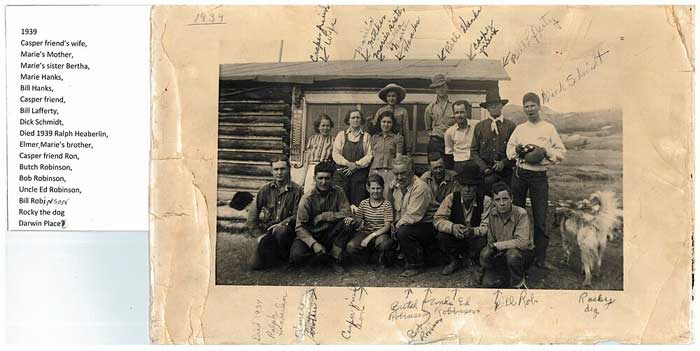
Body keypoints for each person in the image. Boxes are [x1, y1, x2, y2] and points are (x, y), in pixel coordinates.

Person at [506, 92, 566, 270]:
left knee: (540, 217)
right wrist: (518, 151)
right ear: (523, 108)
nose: (530, 109)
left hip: (539, 176)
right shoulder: (520, 129)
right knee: (516, 213)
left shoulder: (548, 128)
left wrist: (545, 152)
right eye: (526, 106)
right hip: (520, 174)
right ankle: (515, 254)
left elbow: (561, 153)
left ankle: (540, 258)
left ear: (539, 107)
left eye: (533, 105)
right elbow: (509, 150)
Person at [291, 161, 355, 274]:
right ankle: (322, 257)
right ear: (314, 178)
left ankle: (335, 257)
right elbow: (300, 228)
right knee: (296, 256)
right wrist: (313, 243)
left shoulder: (339, 192)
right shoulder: (307, 198)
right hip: (312, 234)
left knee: (347, 223)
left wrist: (325, 216)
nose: (323, 182)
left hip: (331, 234)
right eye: (320, 178)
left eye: (327, 178)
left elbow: (347, 213)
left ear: (332, 178)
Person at [433, 162, 492, 276]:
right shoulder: (451, 198)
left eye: (471, 185)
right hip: (456, 236)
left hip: (474, 238)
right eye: (464, 185)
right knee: (442, 236)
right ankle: (454, 260)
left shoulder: (486, 201)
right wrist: (452, 227)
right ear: (459, 186)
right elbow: (437, 219)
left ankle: (472, 259)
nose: (467, 189)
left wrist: (473, 231)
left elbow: (488, 226)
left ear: (477, 187)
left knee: (483, 241)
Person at [246, 157, 304, 270]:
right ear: (271, 171)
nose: (279, 172)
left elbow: (299, 215)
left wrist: (283, 223)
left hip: (288, 231)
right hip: (268, 231)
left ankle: (284, 256)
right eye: (276, 169)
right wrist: (259, 235)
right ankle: (272, 254)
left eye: (283, 169)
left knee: (282, 231)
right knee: (254, 265)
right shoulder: (264, 190)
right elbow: (252, 216)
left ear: (288, 170)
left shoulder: (297, 190)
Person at [478, 182, 534, 289]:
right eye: (498, 200)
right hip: (501, 253)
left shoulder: (521, 213)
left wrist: (496, 246)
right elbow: (491, 239)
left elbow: (522, 242)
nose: (502, 203)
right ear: (493, 202)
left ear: (511, 199)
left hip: (522, 253)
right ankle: (498, 273)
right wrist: (493, 249)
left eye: (505, 199)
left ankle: (519, 282)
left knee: (512, 255)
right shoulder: (493, 213)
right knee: (488, 282)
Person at [392, 155, 439, 278]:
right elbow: (398, 210)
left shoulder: (420, 187)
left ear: (412, 172)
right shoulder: (398, 185)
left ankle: (415, 265)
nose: (399, 177)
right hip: (413, 223)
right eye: (396, 174)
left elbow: (413, 216)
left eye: (403, 173)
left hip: (429, 225)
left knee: (402, 231)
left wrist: (396, 226)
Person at [345, 174, 396, 267]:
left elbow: (387, 226)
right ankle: (365, 260)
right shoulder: (364, 203)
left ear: (383, 188)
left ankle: (381, 259)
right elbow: (358, 222)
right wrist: (352, 220)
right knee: (351, 246)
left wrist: (370, 237)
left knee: (383, 243)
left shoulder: (386, 205)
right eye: (373, 188)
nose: (375, 191)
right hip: (365, 232)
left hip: (380, 234)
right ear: (368, 188)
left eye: (378, 188)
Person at [471, 91, 517, 192]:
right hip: (485, 174)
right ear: (487, 108)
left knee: (504, 200)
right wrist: (483, 168)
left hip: (505, 173)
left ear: (501, 106)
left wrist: (504, 163)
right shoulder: (480, 127)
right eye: (490, 105)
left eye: (496, 104)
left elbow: (515, 150)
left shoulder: (510, 126)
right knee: (486, 200)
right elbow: (473, 151)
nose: (494, 107)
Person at [332, 109, 373, 206]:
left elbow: (369, 155)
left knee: (358, 204)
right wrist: (348, 164)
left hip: (359, 175)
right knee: (341, 203)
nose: (355, 120)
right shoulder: (341, 135)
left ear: (361, 120)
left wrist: (356, 165)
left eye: (358, 118)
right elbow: (336, 154)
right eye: (353, 118)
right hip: (342, 174)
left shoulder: (367, 136)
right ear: (348, 120)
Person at [369, 110, 404, 201]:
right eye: (383, 122)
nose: (386, 124)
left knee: (387, 200)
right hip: (374, 173)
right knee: (373, 200)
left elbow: (398, 160)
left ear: (392, 124)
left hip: (389, 173)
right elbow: (371, 156)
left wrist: (395, 178)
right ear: (380, 123)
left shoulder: (398, 138)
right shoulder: (374, 138)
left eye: (389, 122)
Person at [424, 74, 455, 168]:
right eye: (437, 87)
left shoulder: (454, 106)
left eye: (442, 86)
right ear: (435, 90)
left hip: (451, 142)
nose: (440, 89)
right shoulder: (430, 107)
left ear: (447, 87)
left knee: (449, 167)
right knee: (435, 167)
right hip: (436, 142)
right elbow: (428, 128)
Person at [372, 83, 412, 154]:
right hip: (384, 142)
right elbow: (376, 128)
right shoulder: (381, 111)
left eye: (393, 96)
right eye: (389, 96)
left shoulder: (403, 111)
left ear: (397, 97)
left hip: (398, 143)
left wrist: (408, 149)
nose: (391, 98)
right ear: (386, 97)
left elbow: (406, 130)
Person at [302, 114, 335, 194]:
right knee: (309, 192)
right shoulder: (312, 139)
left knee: (323, 191)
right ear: (318, 127)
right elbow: (307, 159)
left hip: (325, 169)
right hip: (312, 168)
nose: (325, 128)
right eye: (323, 125)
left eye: (328, 126)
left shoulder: (334, 140)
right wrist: (303, 176)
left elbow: (334, 159)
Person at [444, 100, 478, 175]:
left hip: (475, 162)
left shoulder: (476, 125)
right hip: (459, 164)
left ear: (467, 113)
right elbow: (448, 152)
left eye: (462, 112)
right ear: (453, 114)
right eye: (456, 113)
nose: (459, 115)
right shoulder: (449, 132)